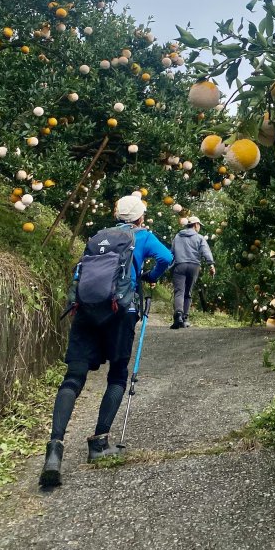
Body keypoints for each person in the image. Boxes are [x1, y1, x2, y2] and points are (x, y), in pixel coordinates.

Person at [39, 194, 173, 489]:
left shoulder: (99, 237)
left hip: (87, 310)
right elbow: (167, 258)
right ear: (139, 217)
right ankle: (99, 444)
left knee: (73, 378)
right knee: (116, 375)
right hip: (121, 312)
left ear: (116, 215)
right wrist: (149, 276)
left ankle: (54, 449)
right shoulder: (143, 237)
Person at [169, 215, 215, 329]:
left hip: (180, 265)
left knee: (179, 291)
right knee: (187, 293)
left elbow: (172, 252)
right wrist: (211, 264)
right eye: (199, 225)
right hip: (194, 266)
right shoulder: (199, 237)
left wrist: (169, 265)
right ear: (195, 225)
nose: (199, 228)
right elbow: (206, 251)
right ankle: (184, 319)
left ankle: (178, 315)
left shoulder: (178, 236)